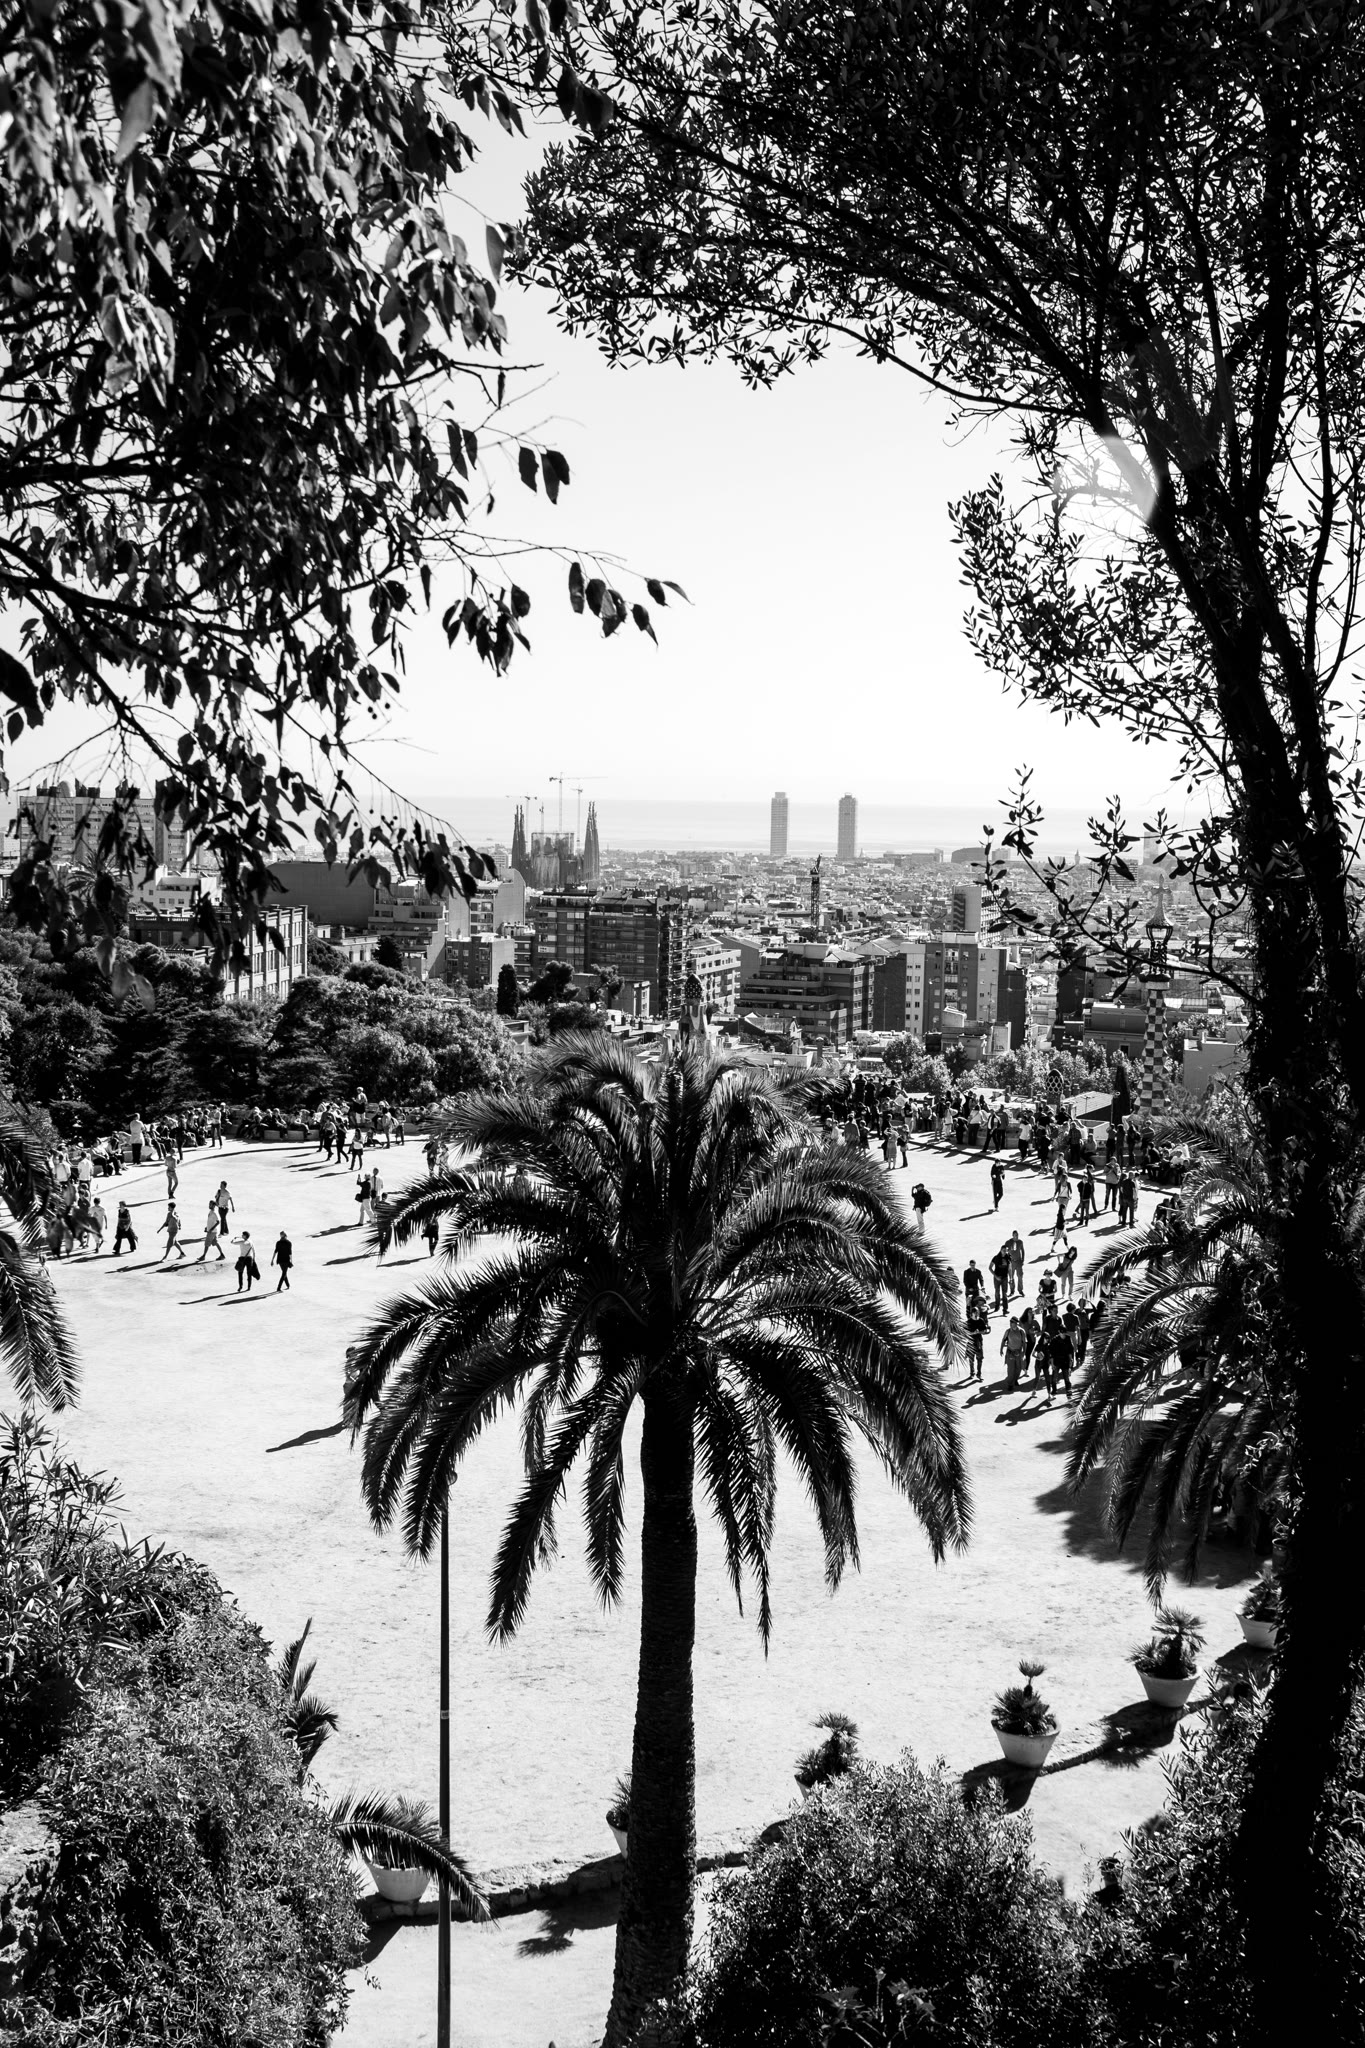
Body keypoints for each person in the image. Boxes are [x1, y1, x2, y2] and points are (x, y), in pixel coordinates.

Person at [1001, 1315, 1027, 1391]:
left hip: (1019, 1352)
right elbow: (1003, 1340)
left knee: (1018, 1368)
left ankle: (1015, 1380)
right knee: (1011, 1369)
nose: (1011, 1324)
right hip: (1010, 1352)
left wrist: (1024, 1352)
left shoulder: (1021, 1331)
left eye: (1013, 1322)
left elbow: (1024, 1342)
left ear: (1016, 1323)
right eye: (1011, 1322)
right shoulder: (1008, 1331)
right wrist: (1001, 1349)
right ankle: (1010, 1384)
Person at [965, 1297, 989, 1380]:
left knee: (980, 1359)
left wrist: (979, 1332)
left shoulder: (981, 1320)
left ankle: (979, 1374)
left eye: (977, 1313)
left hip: (979, 1342)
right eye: (974, 1313)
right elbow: (965, 1333)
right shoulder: (969, 1322)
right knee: (971, 1359)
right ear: (971, 1314)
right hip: (971, 1342)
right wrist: (972, 1333)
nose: (976, 1315)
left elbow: (985, 1330)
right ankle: (972, 1373)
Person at [989, 1244, 1011, 1313]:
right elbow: (990, 1267)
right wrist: (996, 1276)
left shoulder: (1008, 1258)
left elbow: (1010, 1268)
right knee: (997, 1292)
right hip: (997, 1278)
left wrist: (1011, 1278)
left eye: (1006, 1251)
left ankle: (1005, 1309)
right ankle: (997, 1306)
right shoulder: (996, 1258)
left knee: (1005, 1293)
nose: (1004, 1252)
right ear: (1001, 1250)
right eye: (1003, 1250)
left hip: (1005, 1278)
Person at [1008, 1230, 1026, 1298]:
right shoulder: (1009, 1242)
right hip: (1011, 1262)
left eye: (1017, 1235)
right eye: (1015, 1235)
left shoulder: (1020, 1242)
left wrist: (1022, 1260)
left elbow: (1022, 1250)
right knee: (1011, 1277)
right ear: (1012, 1235)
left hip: (1018, 1261)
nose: (1016, 1236)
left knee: (1020, 1276)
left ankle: (1020, 1290)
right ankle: (1012, 1291)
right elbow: (1006, 1251)